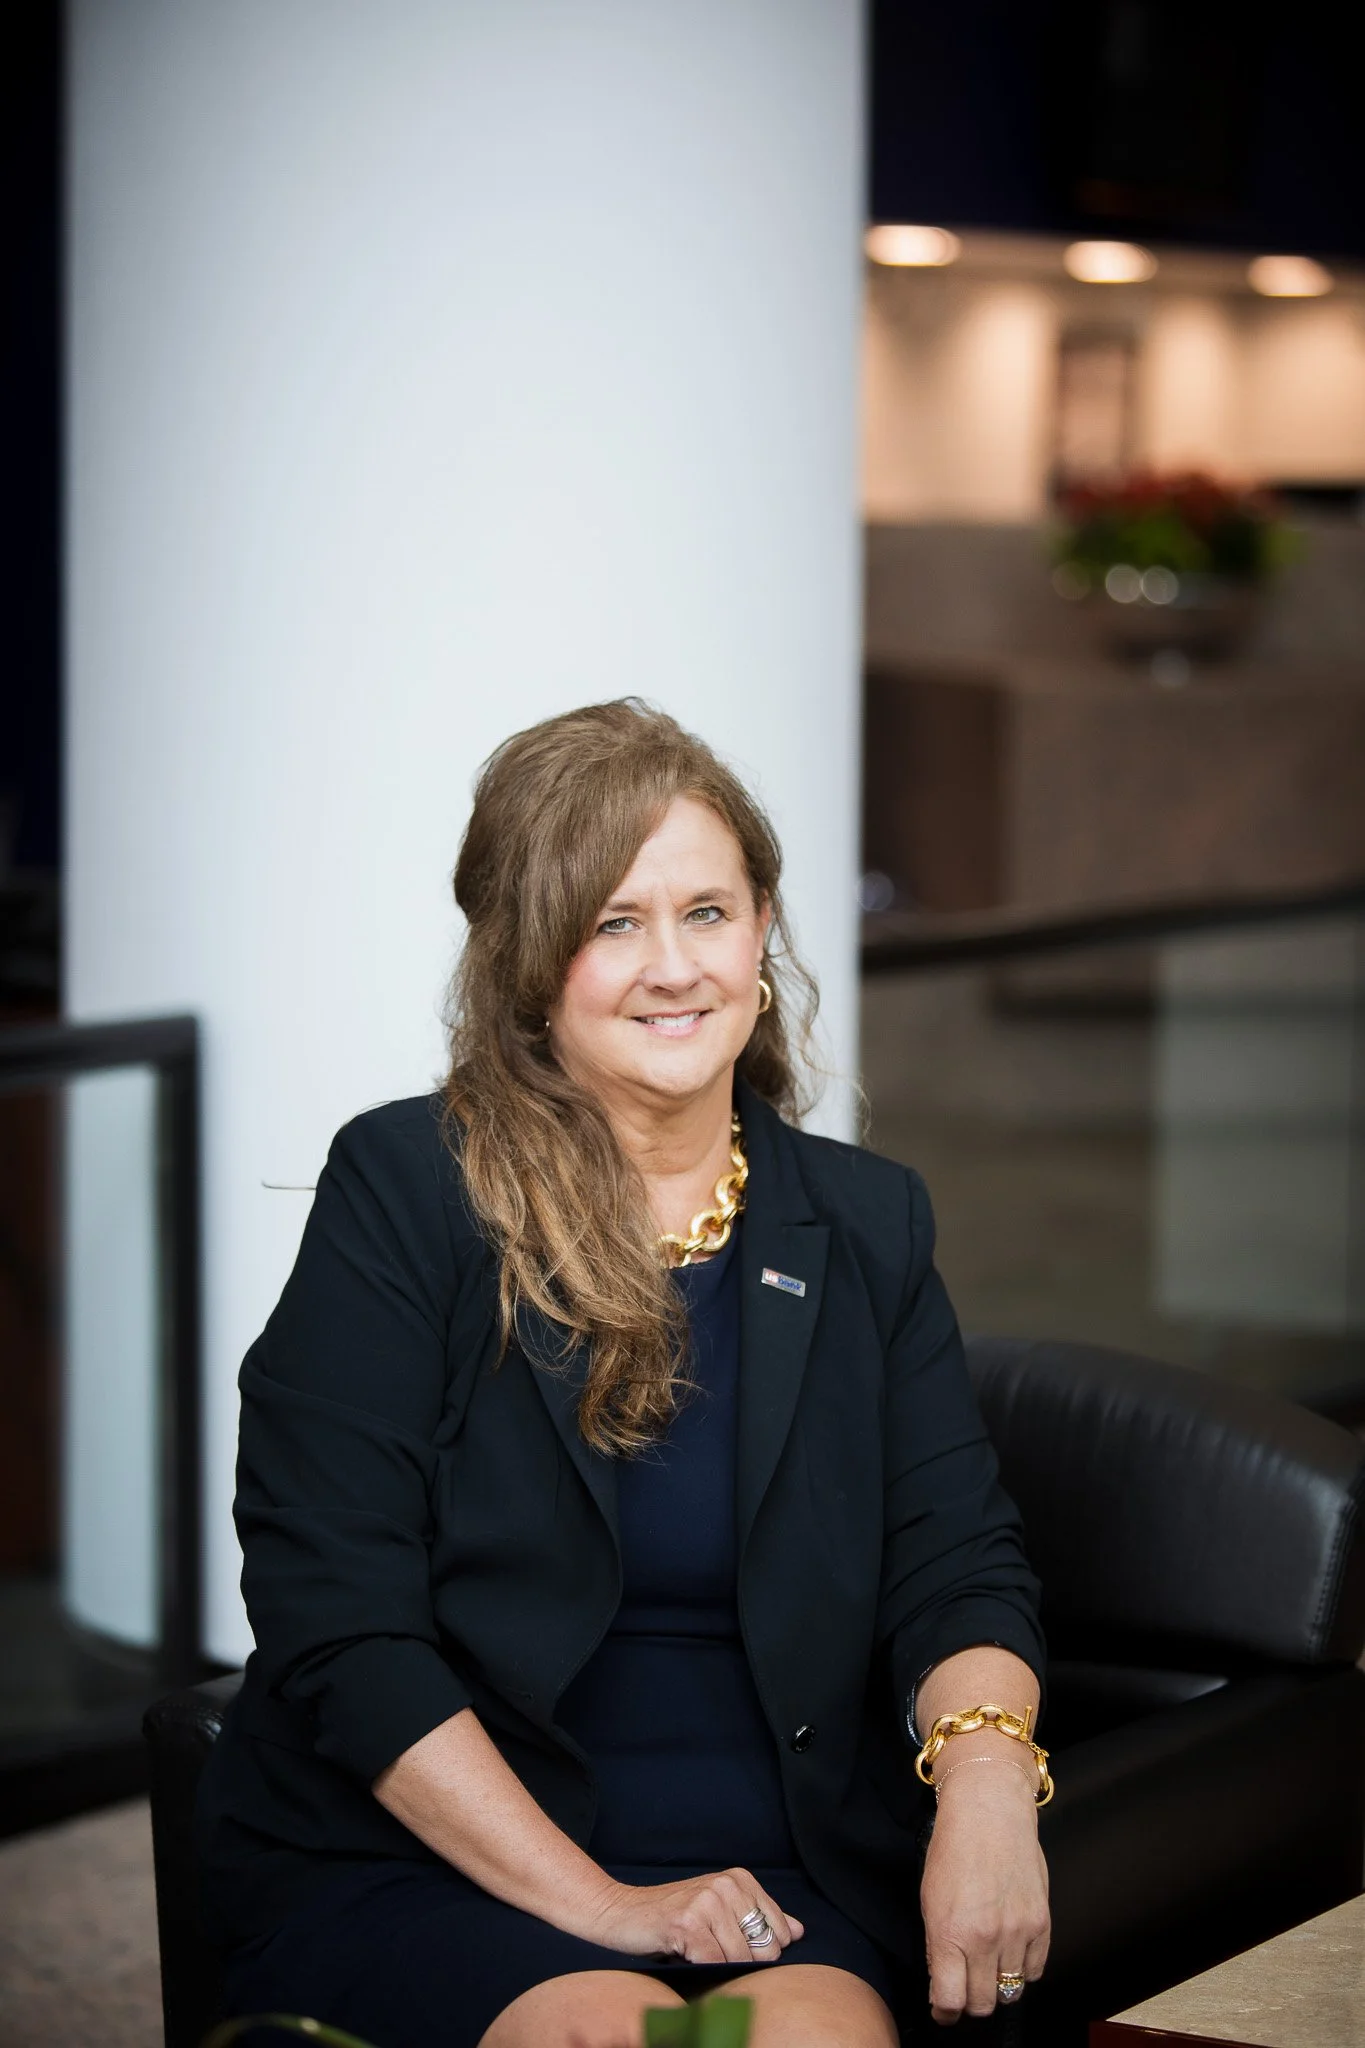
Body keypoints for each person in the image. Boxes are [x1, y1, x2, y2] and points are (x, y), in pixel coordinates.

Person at [197, 700, 1050, 2048]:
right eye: (612, 923)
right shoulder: (407, 1193)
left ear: (763, 930)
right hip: (450, 1855)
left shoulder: (867, 1224)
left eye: (706, 912)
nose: (672, 966)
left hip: (782, 1853)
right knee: (608, 2036)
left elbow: (956, 1559)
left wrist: (993, 1793)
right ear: (531, 963)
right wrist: (606, 1908)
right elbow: (339, 1621)